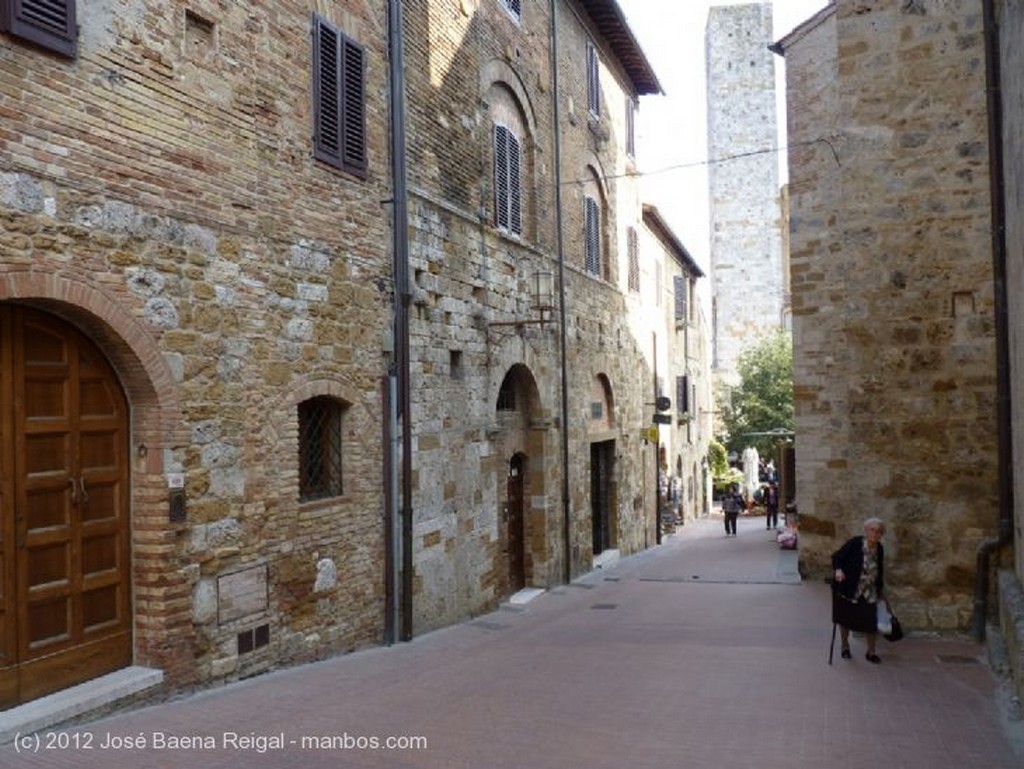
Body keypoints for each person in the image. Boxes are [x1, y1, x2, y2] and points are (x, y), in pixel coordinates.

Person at [831, 518, 887, 663]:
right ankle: (845, 646)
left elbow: (879, 570)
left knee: (871, 621)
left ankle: (871, 652)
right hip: (850, 587)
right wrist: (838, 570)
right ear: (866, 531)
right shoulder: (855, 543)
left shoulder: (879, 548)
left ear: (881, 534)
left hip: (870, 591)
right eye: (872, 530)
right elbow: (837, 557)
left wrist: (880, 589)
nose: (875, 533)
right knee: (845, 619)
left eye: (878, 531)